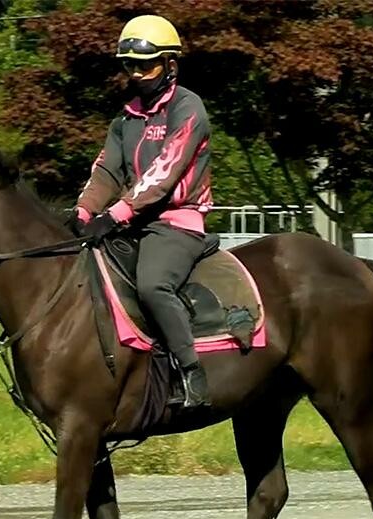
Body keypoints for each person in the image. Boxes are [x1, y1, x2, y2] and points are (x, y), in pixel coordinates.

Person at [68, 14, 215, 409]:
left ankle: (190, 372)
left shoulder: (188, 108)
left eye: (145, 64)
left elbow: (163, 174)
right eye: (128, 65)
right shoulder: (125, 118)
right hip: (132, 222)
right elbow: (105, 171)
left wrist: (114, 215)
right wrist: (82, 214)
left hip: (176, 224)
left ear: (170, 65)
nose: (136, 74)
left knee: (151, 284)